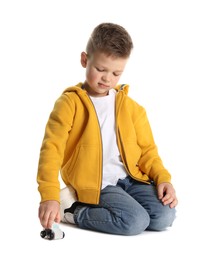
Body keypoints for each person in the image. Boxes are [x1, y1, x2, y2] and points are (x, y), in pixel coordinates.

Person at [37, 22, 178, 236]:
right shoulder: (69, 103)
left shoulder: (131, 108)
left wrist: (163, 178)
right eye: (100, 69)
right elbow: (51, 149)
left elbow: (148, 150)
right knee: (135, 221)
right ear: (85, 60)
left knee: (165, 216)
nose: (107, 78)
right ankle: (73, 211)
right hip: (97, 183)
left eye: (116, 73)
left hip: (129, 178)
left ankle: (118, 206)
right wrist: (49, 195)